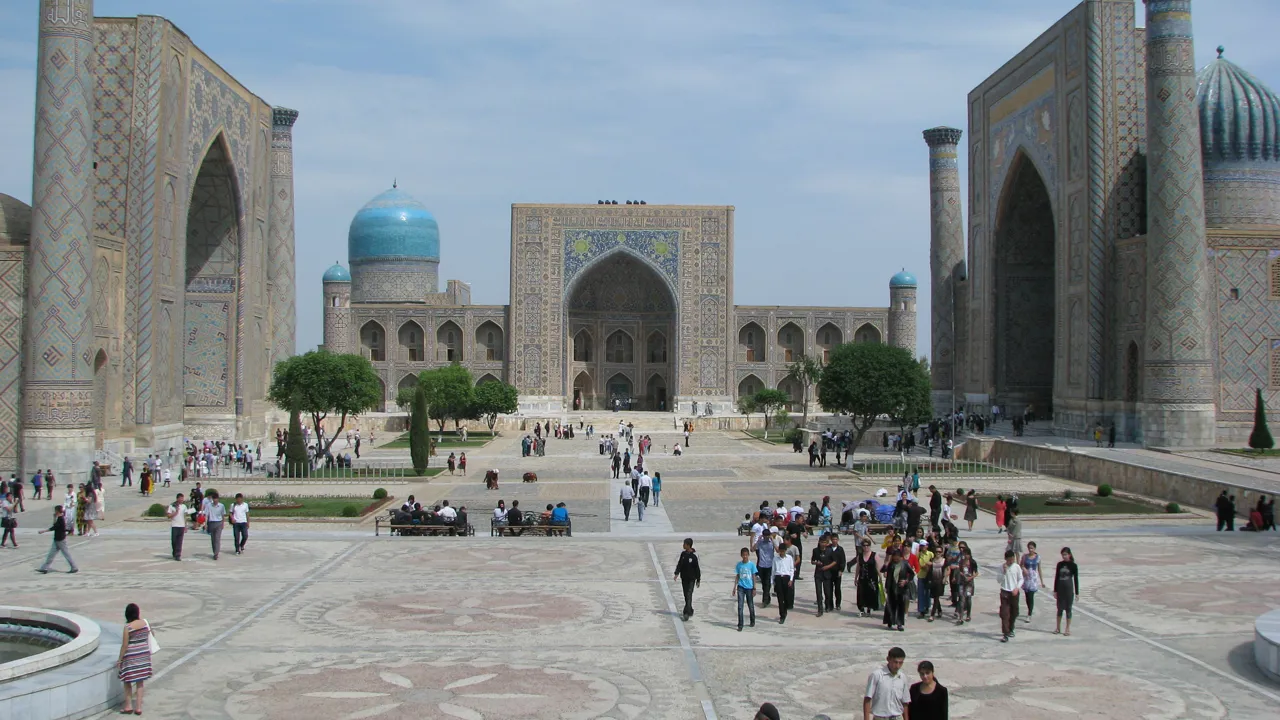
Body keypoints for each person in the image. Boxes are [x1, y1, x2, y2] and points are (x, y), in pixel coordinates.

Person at [117, 602, 153, 714]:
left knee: (127, 681)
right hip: (143, 656)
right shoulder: (145, 623)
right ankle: (138, 708)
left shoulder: (128, 627)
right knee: (140, 682)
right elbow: (152, 635)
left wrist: (120, 659)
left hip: (131, 658)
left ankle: (128, 706)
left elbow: (125, 645)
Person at [863, 647, 911, 720]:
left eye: (900, 663)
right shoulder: (876, 675)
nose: (897, 666)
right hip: (880, 717)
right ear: (888, 659)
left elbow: (905, 702)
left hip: (897, 717)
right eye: (895, 662)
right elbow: (867, 699)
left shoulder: (902, 677)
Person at [36, 504, 77, 574]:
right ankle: (45, 568)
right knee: (51, 555)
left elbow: (54, 527)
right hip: (57, 539)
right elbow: (55, 525)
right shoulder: (60, 518)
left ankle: (74, 567)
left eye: (55, 511)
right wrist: (55, 518)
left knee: (66, 554)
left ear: (57, 511)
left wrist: (44, 531)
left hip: (60, 540)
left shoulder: (61, 519)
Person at [883, 547, 912, 632]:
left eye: (897, 558)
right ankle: (890, 621)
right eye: (894, 557)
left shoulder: (905, 564)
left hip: (901, 588)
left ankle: (899, 623)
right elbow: (887, 575)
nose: (895, 559)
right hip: (892, 587)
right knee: (890, 605)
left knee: (900, 606)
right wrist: (887, 587)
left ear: (901, 557)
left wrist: (906, 581)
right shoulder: (891, 564)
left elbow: (911, 574)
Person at [997, 549, 1024, 642]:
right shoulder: (1001, 567)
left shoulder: (1016, 567)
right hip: (1005, 591)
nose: (1011, 561)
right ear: (1006, 559)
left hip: (1014, 592)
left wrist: (1017, 588)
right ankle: (1005, 633)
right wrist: (1004, 572)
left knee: (1014, 611)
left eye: (1012, 559)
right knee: (1004, 613)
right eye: (1009, 559)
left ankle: (1011, 627)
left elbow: (1021, 579)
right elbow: (999, 580)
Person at [1054, 546, 1080, 636]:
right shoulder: (1059, 564)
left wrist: (1077, 593)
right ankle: (1058, 628)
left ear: (1069, 555)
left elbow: (1076, 579)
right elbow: (1056, 577)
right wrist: (1055, 590)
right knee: (1059, 609)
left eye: (1065, 554)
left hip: (1069, 590)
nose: (1064, 556)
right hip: (1060, 589)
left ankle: (1067, 629)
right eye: (1062, 555)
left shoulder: (1073, 565)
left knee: (1068, 609)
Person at [853, 537, 881, 617]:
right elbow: (858, 567)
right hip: (862, 578)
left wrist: (880, 577)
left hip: (872, 578)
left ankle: (869, 609)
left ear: (869, 546)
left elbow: (877, 567)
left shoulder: (874, 555)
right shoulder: (860, 556)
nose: (866, 547)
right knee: (861, 594)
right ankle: (861, 610)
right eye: (864, 545)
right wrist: (856, 578)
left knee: (871, 594)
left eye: (867, 545)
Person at [674, 538, 701, 621]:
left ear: (688, 545)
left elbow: (697, 568)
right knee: (686, 595)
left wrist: (698, 579)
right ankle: (690, 609)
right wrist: (676, 573)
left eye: (684, 544)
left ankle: (686, 613)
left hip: (692, 579)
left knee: (689, 594)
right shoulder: (683, 554)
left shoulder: (694, 556)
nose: (683, 545)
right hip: (684, 578)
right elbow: (680, 564)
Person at [732, 547, 758, 631]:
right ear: (741, 555)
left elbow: (754, 576)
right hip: (741, 587)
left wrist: (754, 588)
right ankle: (740, 624)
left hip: (749, 587)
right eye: (743, 555)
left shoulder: (751, 565)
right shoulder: (739, 565)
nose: (745, 556)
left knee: (750, 605)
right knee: (740, 606)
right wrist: (734, 587)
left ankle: (752, 620)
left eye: (746, 555)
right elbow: (737, 576)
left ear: (748, 555)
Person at [773, 536, 796, 624]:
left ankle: (785, 609)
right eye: (780, 551)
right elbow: (773, 570)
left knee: (787, 597)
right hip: (778, 577)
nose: (781, 553)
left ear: (785, 551)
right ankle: (782, 615)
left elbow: (791, 569)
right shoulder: (775, 558)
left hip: (786, 578)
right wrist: (773, 581)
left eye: (783, 551)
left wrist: (791, 579)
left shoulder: (789, 558)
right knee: (780, 598)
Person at [1020, 540, 1044, 620]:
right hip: (1026, 578)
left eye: (1032, 548)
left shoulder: (1038, 557)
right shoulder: (1024, 556)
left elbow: (1039, 569)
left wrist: (1042, 581)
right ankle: (1029, 609)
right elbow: (1020, 565)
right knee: (1027, 596)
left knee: (1031, 596)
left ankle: (1029, 613)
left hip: (1033, 579)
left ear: (1034, 548)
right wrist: (1023, 568)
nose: (1030, 550)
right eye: (1029, 548)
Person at [166, 493, 191, 561]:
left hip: (181, 526)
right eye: (181, 498)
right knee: (174, 541)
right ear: (177, 498)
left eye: (183, 498)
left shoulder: (184, 506)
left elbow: (185, 516)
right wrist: (176, 512)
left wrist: (186, 526)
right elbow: (168, 516)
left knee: (179, 542)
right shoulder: (172, 506)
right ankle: (174, 552)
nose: (182, 499)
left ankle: (178, 555)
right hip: (174, 525)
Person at [754, 528, 775, 607]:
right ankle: (767, 598)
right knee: (764, 584)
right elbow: (752, 549)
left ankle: (765, 601)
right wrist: (758, 540)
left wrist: (772, 540)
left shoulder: (771, 543)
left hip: (769, 565)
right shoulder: (760, 542)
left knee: (767, 582)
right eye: (764, 536)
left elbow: (777, 550)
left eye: (767, 536)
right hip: (761, 565)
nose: (766, 537)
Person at [204, 490, 226, 560]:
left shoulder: (221, 506)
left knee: (217, 539)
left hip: (219, 523)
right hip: (211, 523)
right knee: (213, 539)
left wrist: (223, 523)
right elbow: (206, 515)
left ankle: (216, 553)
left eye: (216, 499)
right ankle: (214, 552)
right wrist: (205, 524)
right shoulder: (209, 505)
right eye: (214, 499)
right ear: (212, 499)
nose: (215, 500)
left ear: (218, 499)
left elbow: (223, 515)